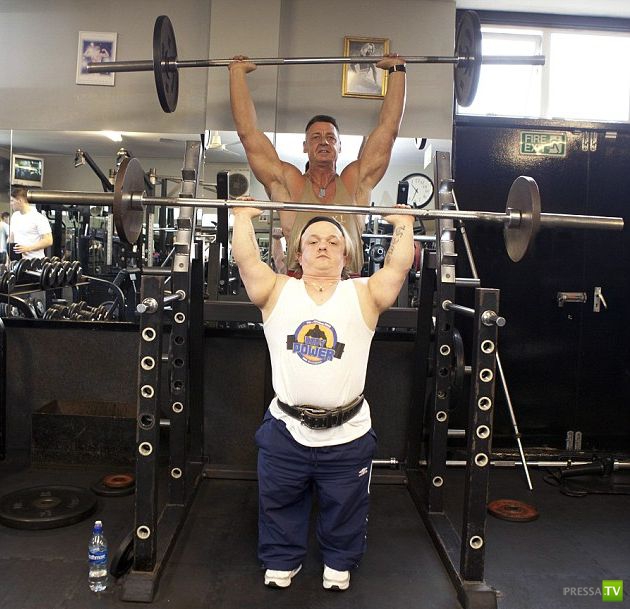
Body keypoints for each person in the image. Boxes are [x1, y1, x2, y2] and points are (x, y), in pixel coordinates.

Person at [231, 206, 414, 591]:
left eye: (333, 242)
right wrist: (243, 217)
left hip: (347, 431)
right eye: (313, 241)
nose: (323, 246)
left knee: (346, 505)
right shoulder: (277, 290)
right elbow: (247, 261)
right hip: (286, 428)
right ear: (299, 254)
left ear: (346, 255)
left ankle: (338, 561)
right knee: (279, 500)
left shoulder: (364, 294)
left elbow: (397, 268)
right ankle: (281, 558)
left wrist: (405, 224)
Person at [228, 53, 406, 275]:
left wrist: (397, 70)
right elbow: (248, 134)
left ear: (339, 147)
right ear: (305, 146)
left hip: (347, 286)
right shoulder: (288, 182)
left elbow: (388, 130)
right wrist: (237, 73)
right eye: (315, 137)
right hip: (300, 285)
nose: (324, 142)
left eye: (331, 138)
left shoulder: (355, 181)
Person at [9, 186, 53, 259]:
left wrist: (28, 248)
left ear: (20, 200)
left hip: (34, 261)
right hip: (18, 262)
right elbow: (12, 237)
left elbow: (48, 240)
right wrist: (8, 258)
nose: (11, 203)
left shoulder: (39, 218)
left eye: (12, 200)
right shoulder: (15, 216)